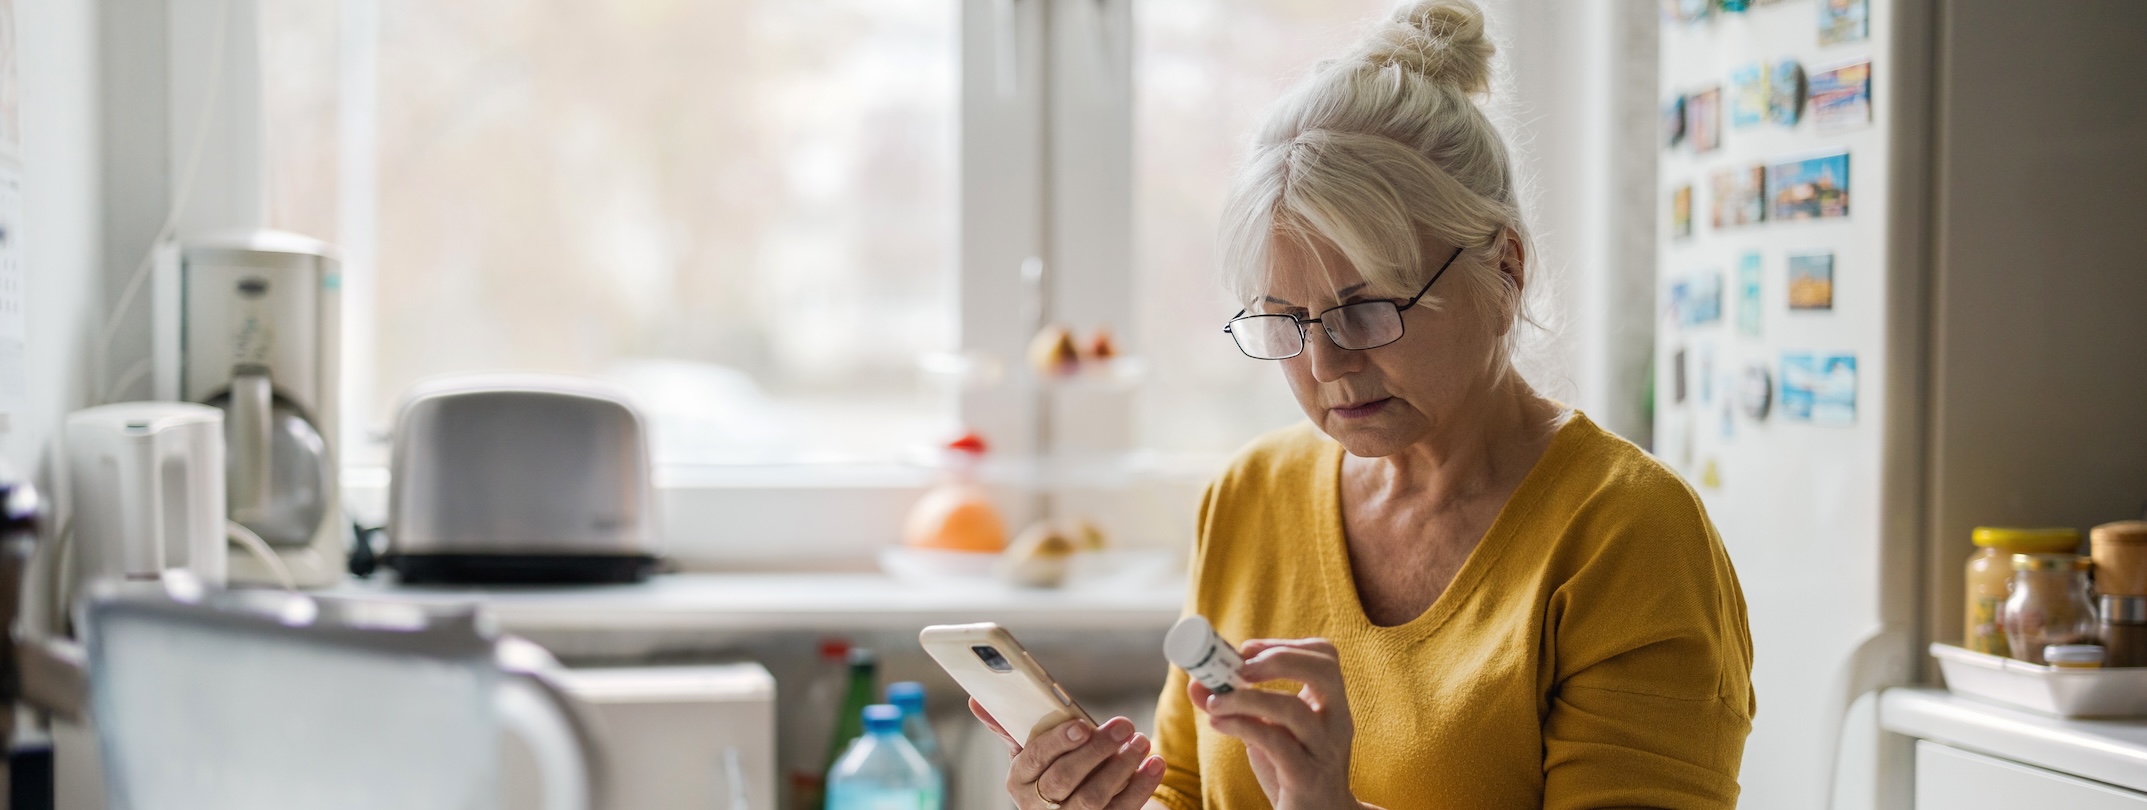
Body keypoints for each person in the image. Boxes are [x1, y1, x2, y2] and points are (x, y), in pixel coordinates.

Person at [967, 1, 1754, 808]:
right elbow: (1189, 790)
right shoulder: (1250, 494)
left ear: (1505, 268)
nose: (1325, 362)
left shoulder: (1628, 536)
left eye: (1367, 307)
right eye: (1285, 318)